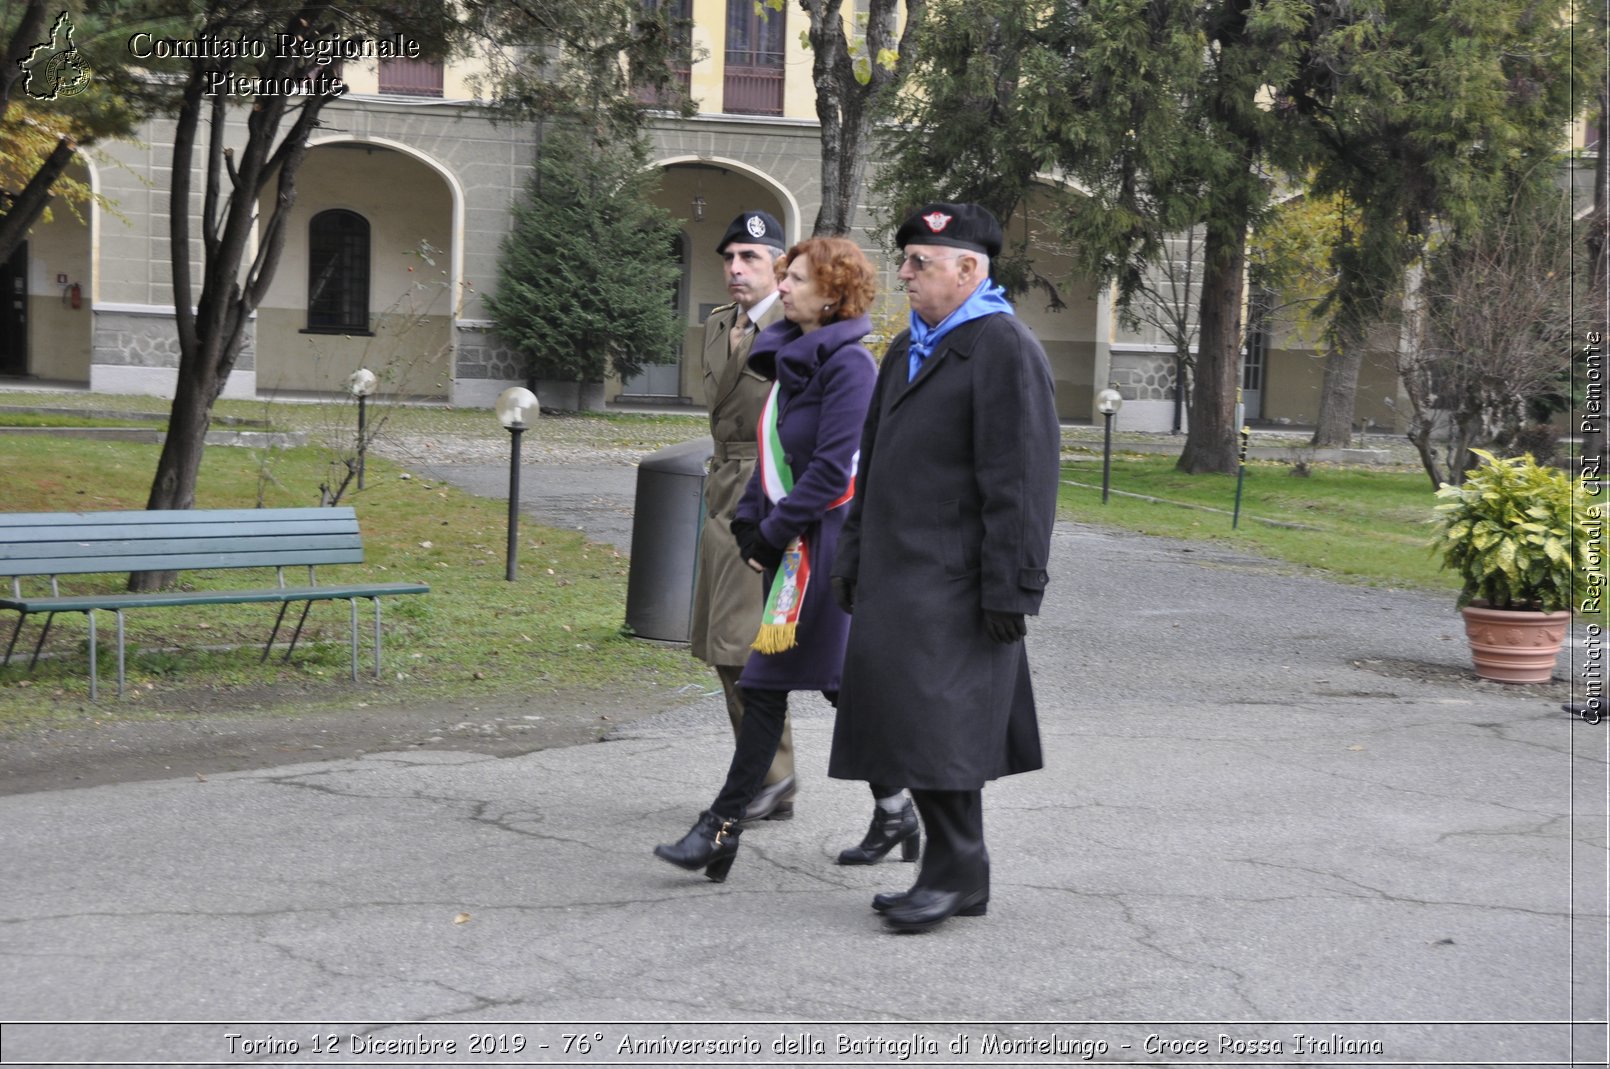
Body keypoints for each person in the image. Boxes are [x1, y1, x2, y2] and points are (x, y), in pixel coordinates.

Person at [827, 202, 1060, 932]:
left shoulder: (1001, 346)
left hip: (957, 585)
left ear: (969, 269)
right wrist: (854, 554)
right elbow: (875, 465)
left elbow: (1021, 480)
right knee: (913, 728)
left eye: (918, 263)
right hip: (900, 579)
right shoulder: (909, 348)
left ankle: (956, 872)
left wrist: (1013, 584)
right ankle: (959, 871)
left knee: (941, 733)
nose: (903, 273)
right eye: (905, 260)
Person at [654, 237, 915, 880]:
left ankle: (720, 830)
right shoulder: (792, 358)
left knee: (767, 685)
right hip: (790, 544)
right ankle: (897, 806)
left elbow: (830, 471)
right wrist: (750, 517)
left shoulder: (849, 365)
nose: (783, 284)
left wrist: (773, 532)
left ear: (831, 294)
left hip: (823, 552)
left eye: (795, 277)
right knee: (833, 686)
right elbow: (771, 451)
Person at [688, 210, 797, 824]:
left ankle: (770, 777)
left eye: (750, 258)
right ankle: (770, 777)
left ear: (779, 266)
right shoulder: (718, 325)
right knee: (722, 642)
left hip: (769, 490)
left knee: (740, 643)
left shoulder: (800, 327)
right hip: (721, 484)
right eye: (729, 257)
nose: (735, 269)